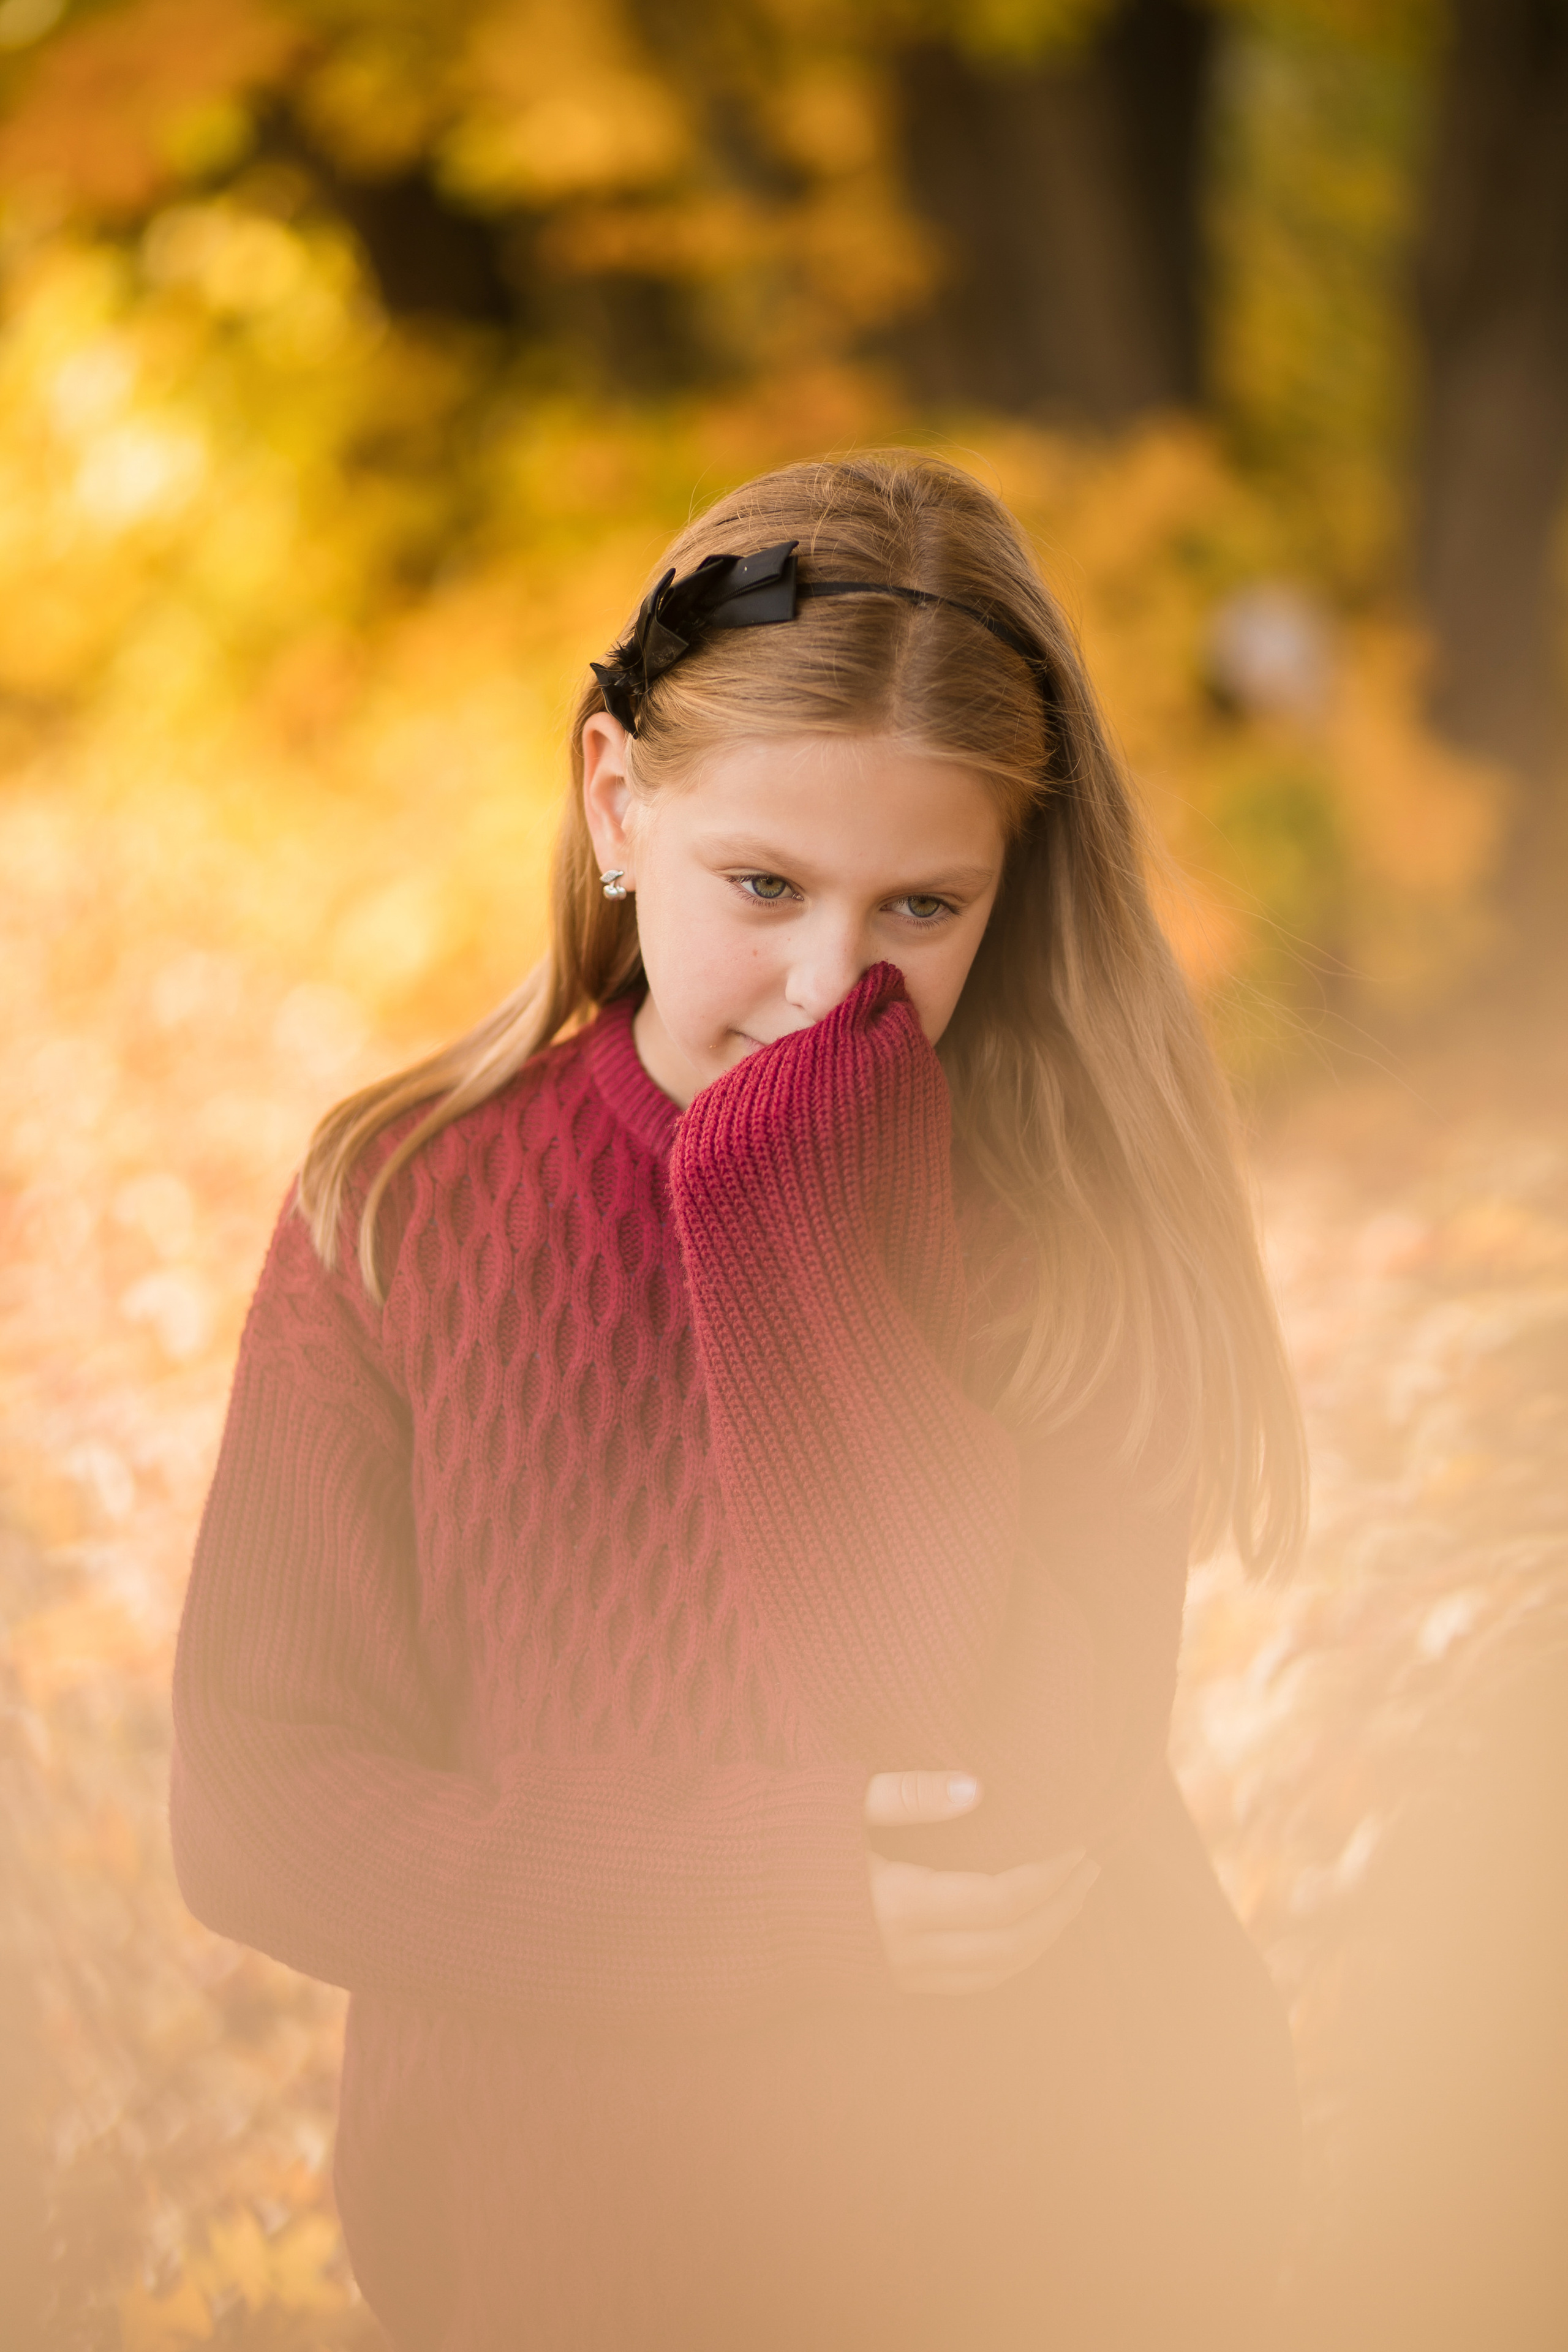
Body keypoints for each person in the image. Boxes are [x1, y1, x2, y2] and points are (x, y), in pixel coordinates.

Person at [171, 452, 1306, 2352]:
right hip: (546, 2266)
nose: (821, 984)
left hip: (1040, 2251)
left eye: (920, 911)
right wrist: (760, 1896)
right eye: (762, 884)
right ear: (618, 798)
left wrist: (801, 1233)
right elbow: (261, 1804)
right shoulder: (400, 1204)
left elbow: (990, 1803)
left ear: (1007, 896)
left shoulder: (1072, 1245)